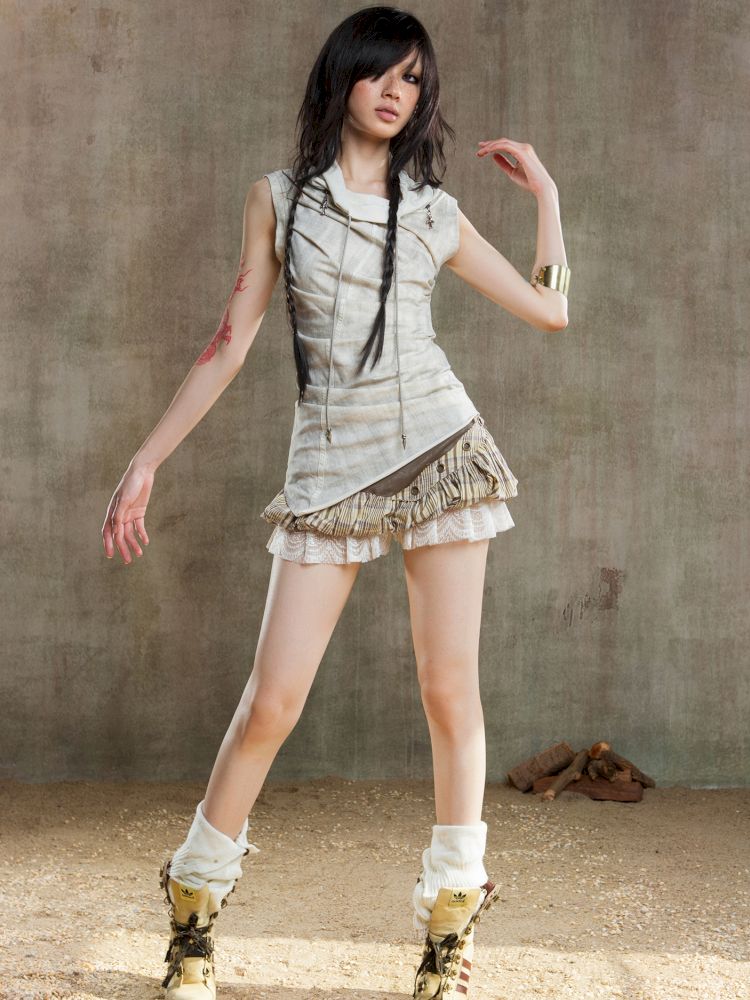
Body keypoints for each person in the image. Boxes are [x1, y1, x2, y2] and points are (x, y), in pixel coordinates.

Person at [101, 6, 569, 998]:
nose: (396, 92)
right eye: (380, 72)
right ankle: (192, 914)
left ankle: (449, 931)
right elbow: (230, 342)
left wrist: (550, 200)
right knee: (271, 703)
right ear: (342, 78)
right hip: (329, 469)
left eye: (413, 79)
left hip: (443, 452)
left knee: (450, 691)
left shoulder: (434, 211)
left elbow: (551, 309)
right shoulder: (279, 200)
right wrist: (147, 460)